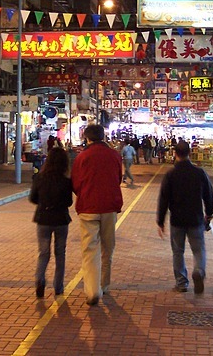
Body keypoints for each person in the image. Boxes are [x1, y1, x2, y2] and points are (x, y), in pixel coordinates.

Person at [70, 124, 124, 306]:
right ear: (103, 137)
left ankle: (93, 291)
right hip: (109, 207)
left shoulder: (82, 157)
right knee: (108, 247)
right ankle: (104, 285)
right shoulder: (114, 155)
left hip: (88, 208)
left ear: (87, 138)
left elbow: (75, 183)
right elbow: (118, 178)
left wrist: (85, 194)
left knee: (90, 249)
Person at [157, 141, 213, 294]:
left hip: (177, 220)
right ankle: (199, 271)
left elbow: (163, 199)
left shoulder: (170, 174)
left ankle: (181, 283)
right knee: (198, 249)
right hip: (196, 219)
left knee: (178, 252)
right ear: (189, 153)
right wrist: (209, 213)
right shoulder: (199, 173)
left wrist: (160, 221)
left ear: (175, 154)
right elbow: (209, 195)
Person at [29, 147, 73, 299]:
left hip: (43, 218)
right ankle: (58, 287)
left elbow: (33, 198)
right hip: (61, 219)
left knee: (43, 253)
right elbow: (69, 202)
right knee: (60, 254)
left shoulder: (39, 178)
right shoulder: (66, 181)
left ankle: (40, 279)